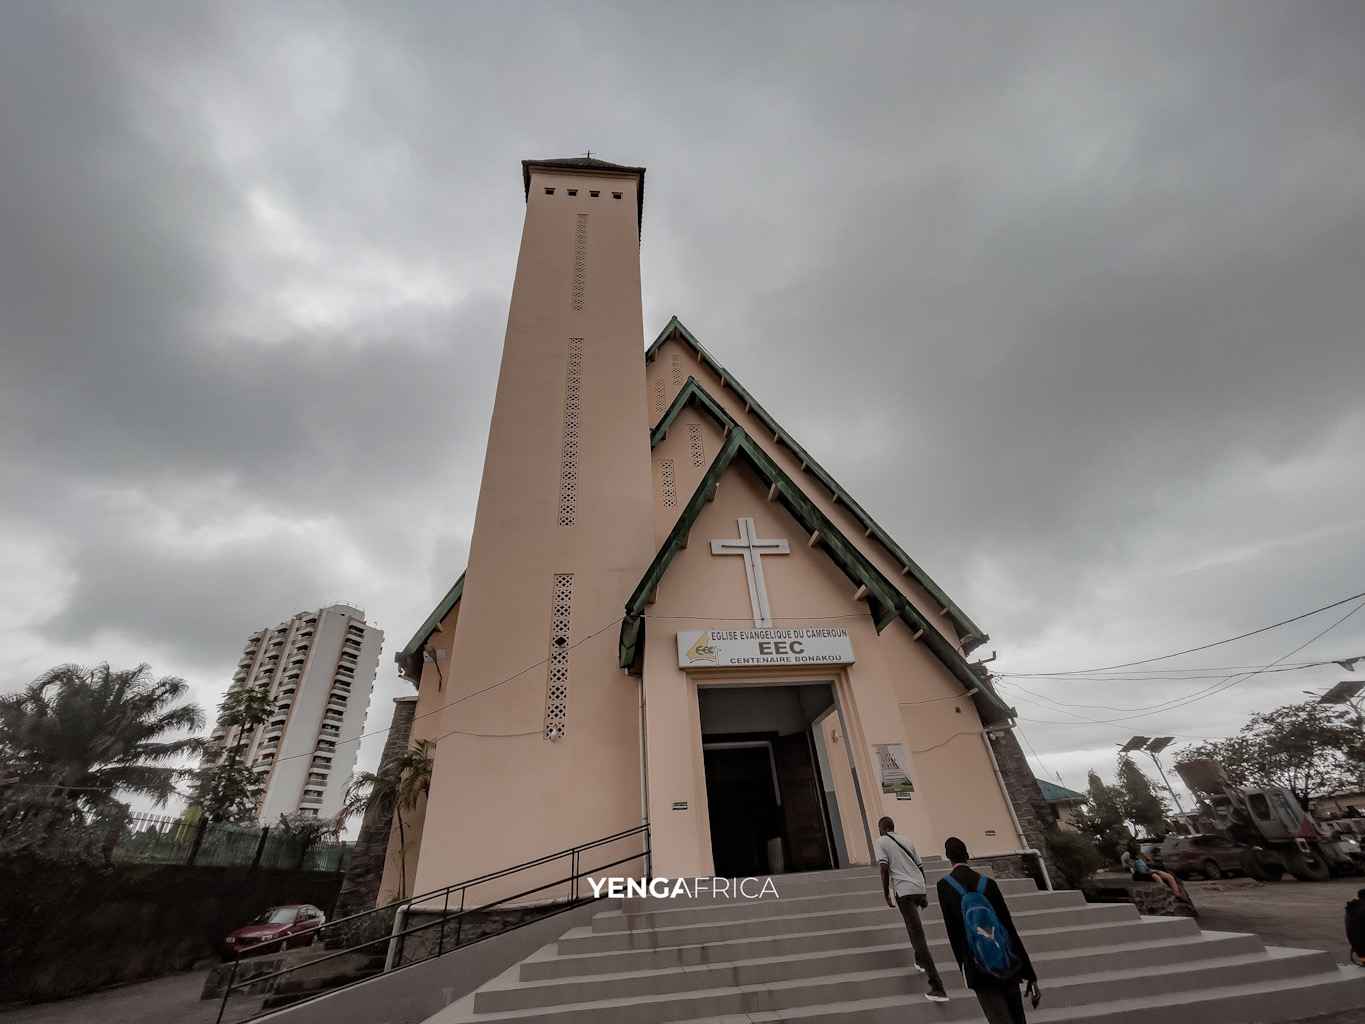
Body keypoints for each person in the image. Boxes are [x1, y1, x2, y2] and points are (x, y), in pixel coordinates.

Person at [936, 836, 1039, 1024]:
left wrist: (965, 969)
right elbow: (1008, 926)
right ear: (967, 855)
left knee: (997, 1018)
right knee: (1018, 1018)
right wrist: (1029, 973)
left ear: (948, 857)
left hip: (978, 966)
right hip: (1005, 961)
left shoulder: (944, 886)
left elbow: (954, 934)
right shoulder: (988, 883)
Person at [875, 816, 949, 1003]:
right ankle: (919, 960)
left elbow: (884, 868)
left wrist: (886, 893)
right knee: (914, 928)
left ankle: (938, 987)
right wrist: (923, 893)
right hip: (917, 888)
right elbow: (920, 867)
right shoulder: (907, 840)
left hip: (904, 891)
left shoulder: (881, 841)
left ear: (881, 828)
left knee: (917, 936)